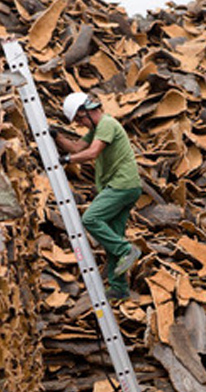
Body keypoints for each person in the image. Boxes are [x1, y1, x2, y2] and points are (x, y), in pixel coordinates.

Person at [53, 92, 142, 301]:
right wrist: (57, 137)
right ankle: (119, 288)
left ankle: (127, 250)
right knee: (112, 235)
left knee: (90, 219)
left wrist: (67, 160)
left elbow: (91, 153)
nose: (81, 124)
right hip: (126, 187)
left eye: (80, 119)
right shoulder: (96, 129)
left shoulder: (107, 124)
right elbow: (76, 147)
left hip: (121, 185)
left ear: (88, 110)